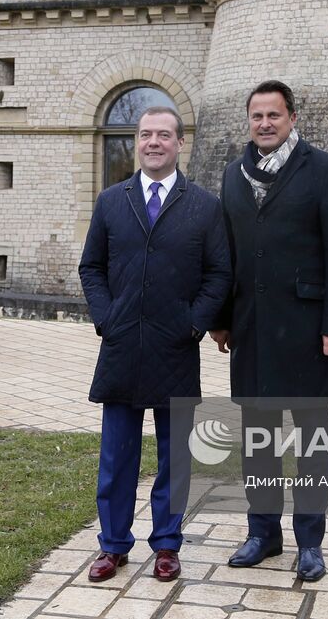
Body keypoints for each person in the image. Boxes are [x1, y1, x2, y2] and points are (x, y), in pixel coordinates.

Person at [211, 80, 328, 582]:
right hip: (251, 332)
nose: (265, 124)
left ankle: (310, 542)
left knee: (312, 443)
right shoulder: (233, 175)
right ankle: (262, 533)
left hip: (309, 331)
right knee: (259, 442)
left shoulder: (326, 171)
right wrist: (222, 319)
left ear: (293, 117)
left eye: (274, 115)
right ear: (248, 120)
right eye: (257, 116)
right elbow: (226, 253)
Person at [79, 106, 233, 583]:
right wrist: (107, 318)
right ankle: (113, 545)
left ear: (179, 143)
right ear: (138, 140)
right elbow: (92, 268)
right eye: (145, 134)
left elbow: (219, 273)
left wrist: (193, 324)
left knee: (175, 459)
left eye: (163, 135)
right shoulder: (110, 201)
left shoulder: (204, 206)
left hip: (175, 348)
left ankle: (167, 545)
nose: (153, 142)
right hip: (122, 347)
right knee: (117, 457)